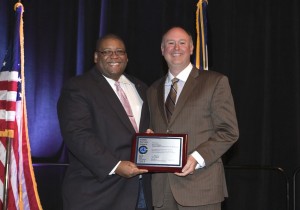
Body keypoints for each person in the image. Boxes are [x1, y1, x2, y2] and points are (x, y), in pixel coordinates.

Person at [147, 26, 239, 210]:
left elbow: (229, 132)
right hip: (161, 191)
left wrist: (197, 158)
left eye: (182, 43)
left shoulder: (215, 82)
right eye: (170, 43)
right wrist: (149, 138)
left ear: (191, 48)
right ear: (162, 49)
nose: (176, 48)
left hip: (201, 187)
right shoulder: (152, 90)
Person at [57, 34, 152, 210]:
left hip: (141, 192)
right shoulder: (78, 87)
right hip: (98, 193)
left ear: (127, 57)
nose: (114, 56)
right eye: (106, 52)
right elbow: (77, 134)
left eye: (119, 52)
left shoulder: (141, 87)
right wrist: (115, 166)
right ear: (96, 57)